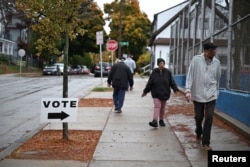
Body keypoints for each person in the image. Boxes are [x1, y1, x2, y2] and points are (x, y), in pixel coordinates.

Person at [185, 42, 221, 151]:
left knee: (209, 117)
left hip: (211, 94)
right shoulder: (196, 60)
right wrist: (188, 90)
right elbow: (190, 75)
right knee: (199, 116)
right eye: (212, 50)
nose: (214, 52)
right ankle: (198, 129)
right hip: (198, 93)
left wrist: (216, 93)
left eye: (214, 50)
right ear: (206, 51)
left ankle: (206, 142)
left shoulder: (217, 62)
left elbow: (218, 79)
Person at [141, 58, 179, 128]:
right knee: (157, 106)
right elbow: (150, 83)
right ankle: (155, 121)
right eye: (160, 63)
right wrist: (145, 91)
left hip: (165, 93)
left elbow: (172, 82)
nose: (162, 65)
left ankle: (161, 120)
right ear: (158, 64)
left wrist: (175, 89)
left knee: (162, 108)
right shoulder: (154, 73)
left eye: (163, 63)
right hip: (156, 93)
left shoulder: (167, 72)